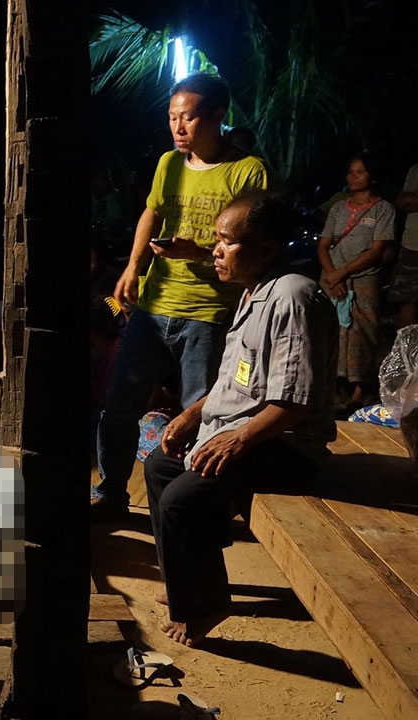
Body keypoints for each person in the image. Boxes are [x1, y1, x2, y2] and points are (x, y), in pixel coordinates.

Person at [144, 190, 336, 646]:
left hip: (284, 444)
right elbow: (235, 383)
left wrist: (237, 440)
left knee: (182, 498)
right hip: (249, 433)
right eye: (217, 239)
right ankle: (185, 583)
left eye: (226, 241)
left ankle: (206, 604)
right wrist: (192, 416)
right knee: (160, 465)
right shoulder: (253, 294)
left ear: (266, 249)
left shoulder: (292, 297)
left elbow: (294, 403)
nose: (215, 250)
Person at [92, 73, 269, 521]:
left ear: (217, 115)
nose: (178, 127)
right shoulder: (169, 163)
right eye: (172, 117)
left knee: (201, 415)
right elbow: (152, 212)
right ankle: (111, 494)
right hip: (153, 308)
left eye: (188, 117)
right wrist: (133, 267)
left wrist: (200, 254)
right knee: (118, 407)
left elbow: (254, 245)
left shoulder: (247, 170)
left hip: (209, 311)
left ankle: (193, 508)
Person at [317, 152, 396, 411]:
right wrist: (332, 274)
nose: (353, 177)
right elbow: (324, 245)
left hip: (364, 279)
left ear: (372, 176)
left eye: (359, 172)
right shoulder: (339, 207)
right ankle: (331, 385)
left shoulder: (383, 209)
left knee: (363, 332)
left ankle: (359, 391)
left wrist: (343, 272)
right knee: (331, 330)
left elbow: (376, 250)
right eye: (351, 172)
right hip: (332, 278)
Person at [387, 162, 418, 329]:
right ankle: (408, 344)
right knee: (406, 298)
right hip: (412, 245)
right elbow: (402, 201)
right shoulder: (415, 169)